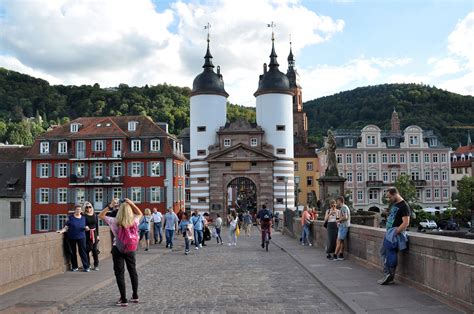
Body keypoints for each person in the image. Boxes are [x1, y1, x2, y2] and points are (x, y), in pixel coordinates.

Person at [99, 198, 142, 307]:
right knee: (133, 271)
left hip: (118, 248)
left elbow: (100, 215)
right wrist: (131, 203)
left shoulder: (114, 221)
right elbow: (140, 213)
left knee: (120, 274)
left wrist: (110, 206)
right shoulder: (134, 220)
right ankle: (135, 296)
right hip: (131, 248)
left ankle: (123, 299)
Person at [378, 187, 410, 285]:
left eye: (390, 197)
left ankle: (389, 275)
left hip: (393, 234)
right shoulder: (395, 204)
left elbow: (406, 223)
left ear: (395, 194)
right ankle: (388, 274)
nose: (389, 199)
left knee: (391, 253)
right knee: (383, 252)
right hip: (389, 232)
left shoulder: (404, 206)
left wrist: (395, 232)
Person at [57, 205, 90, 272]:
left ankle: (86, 267)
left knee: (82, 252)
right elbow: (66, 227)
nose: (78, 211)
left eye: (80, 210)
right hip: (72, 237)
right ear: (74, 210)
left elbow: (86, 226)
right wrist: (61, 231)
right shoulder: (70, 218)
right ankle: (75, 267)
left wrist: (87, 228)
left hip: (81, 237)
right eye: (77, 209)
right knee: (73, 252)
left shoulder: (83, 218)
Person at [83, 201, 100, 271]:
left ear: (92, 207)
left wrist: (98, 235)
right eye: (87, 207)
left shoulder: (95, 215)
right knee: (87, 249)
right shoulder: (83, 215)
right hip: (87, 234)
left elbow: (97, 225)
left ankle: (96, 265)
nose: (88, 208)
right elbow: (82, 224)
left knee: (95, 250)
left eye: (90, 207)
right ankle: (88, 264)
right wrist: (85, 227)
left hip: (94, 233)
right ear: (85, 208)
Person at [334, 196, 351, 260]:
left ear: (340, 201)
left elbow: (345, 217)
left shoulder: (343, 207)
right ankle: (341, 255)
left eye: (337, 201)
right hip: (344, 226)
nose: (337, 202)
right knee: (341, 241)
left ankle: (335, 255)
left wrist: (338, 221)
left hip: (344, 226)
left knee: (339, 241)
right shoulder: (344, 207)